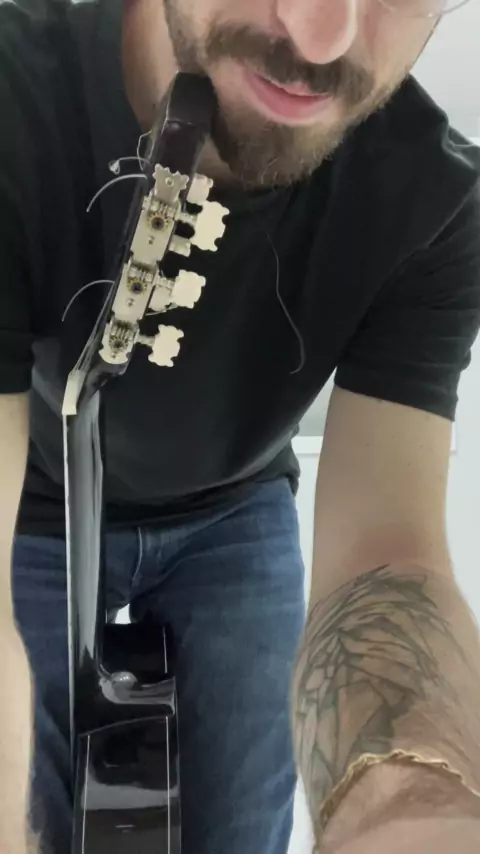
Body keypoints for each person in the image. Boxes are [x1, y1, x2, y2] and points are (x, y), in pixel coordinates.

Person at [1, 0, 480, 852]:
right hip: (33, 512)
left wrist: (410, 803)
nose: (322, 38)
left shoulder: (438, 205)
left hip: (235, 513)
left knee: (242, 828)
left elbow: (385, 560)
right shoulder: (13, 98)